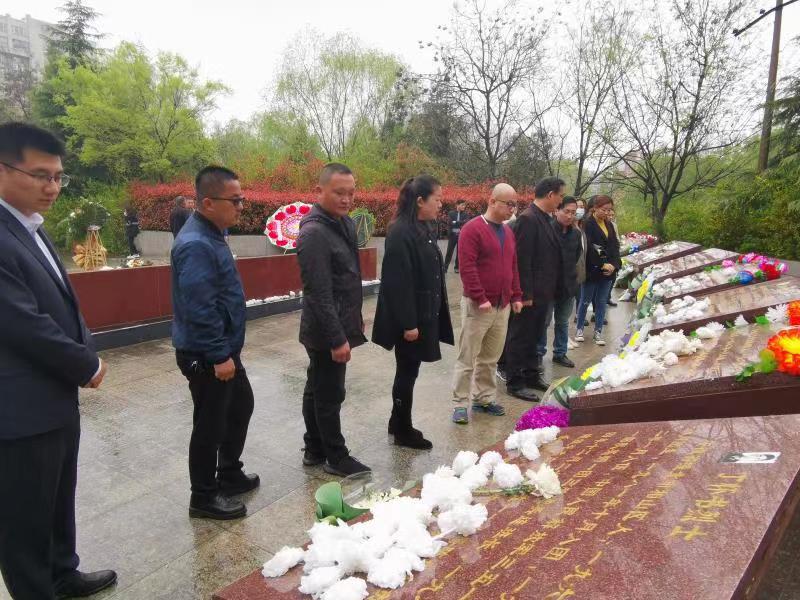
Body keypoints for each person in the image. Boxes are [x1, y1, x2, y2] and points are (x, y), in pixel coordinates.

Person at [0, 122, 117, 599]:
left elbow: (62, 303)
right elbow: (21, 322)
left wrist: (84, 349)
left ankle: (63, 573)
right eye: (40, 176)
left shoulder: (28, 226)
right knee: (24, 518)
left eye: (58, 177)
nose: (52, 187)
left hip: (54, 398)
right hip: (18, 410)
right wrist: (85, 364)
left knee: (56, 497)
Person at [172, 166, 259, 520]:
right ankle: (203, 496)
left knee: (240, 406)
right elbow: (200, 307)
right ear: (208, 203)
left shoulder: (212, 233)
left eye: (242, 199)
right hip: (207, 353)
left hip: (222, 348)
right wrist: (219, 354)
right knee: (210, 424)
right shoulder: (196, 244)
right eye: (234, 200)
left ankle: (228, 473)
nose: (241, 206)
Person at [297, 163, 370, 477]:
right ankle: (336, 457)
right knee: (329, 393)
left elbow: (348, 278)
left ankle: (314, 447)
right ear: (319, 191)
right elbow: (318, 292)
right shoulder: (314, 233)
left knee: (317, 387)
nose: (346, 199)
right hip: (325, 329)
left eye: (351, 193)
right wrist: (337, 338)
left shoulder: (344, 223)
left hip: (340, 321)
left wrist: (355, 319)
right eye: (339, 192)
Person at [372, 175, 454, 449]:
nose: (441, 204)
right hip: (410, 320)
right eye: (437, 199)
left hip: (423, 314)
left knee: (411, 370)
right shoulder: (400, 232)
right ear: (420, 200)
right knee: (406, 372)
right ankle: (403, 430)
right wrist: (409, 324)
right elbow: (398, 283)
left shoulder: (424, 227)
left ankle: (396, 421)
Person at [451, 183, 523, 424]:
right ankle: (460, 403)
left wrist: (516, 295)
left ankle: (483, 398)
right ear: (492, 201)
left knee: (491, 357)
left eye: (515, 205)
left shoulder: (508, 232)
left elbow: (513, 266)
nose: (512, 209)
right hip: (478, 306)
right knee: (467, 357)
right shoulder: (472, 229)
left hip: (502, 306)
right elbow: (467, 267)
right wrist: (479, 297)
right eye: (509, 204)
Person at [503, 177, 566, 402]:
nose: (560, 201)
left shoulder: (545, 218)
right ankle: (515, 381)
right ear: (550, 195)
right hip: (530, 294)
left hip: (544, 292)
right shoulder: (528, 219)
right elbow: (522, 260)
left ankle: (531, 374)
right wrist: (524, 294)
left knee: (535, 336)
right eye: (560, 196)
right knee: (520, 337)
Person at [537, 196, 581, 368]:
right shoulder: (546, 230)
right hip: (547, 287)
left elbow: (576, 257)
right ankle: (538, 354)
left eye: (573, 213)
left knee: (563, 322)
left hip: (567, 287)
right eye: (566, 211)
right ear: (556, 210)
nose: (570, 216)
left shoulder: (576, 234)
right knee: (543, 322)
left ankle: (560, 353)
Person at [575, 195, 621, 346]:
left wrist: (614, 265)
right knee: (585, 300)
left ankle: (598, 331)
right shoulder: (587, 224)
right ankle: (580, 328)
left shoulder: (609, 225)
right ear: (595, 208)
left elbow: (614, 247)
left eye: (609, 210)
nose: (607, 213)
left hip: (608, 271)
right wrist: (603, 263)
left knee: (601, 302)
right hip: (593, 269)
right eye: (604, 209)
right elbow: (592, 246)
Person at [443, 199, 469, 273]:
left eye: (464, 205)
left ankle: (457, 267)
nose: (464, 206)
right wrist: (460, 222)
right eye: (462, 205)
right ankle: (445, 267)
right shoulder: (451, 213)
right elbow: (450, 222)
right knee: (449, 251)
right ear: (457, 205)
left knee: (459, 252)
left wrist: (455, 222)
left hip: (461, 235)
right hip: (452, 235)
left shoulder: (465, 214)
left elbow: (465, 222)